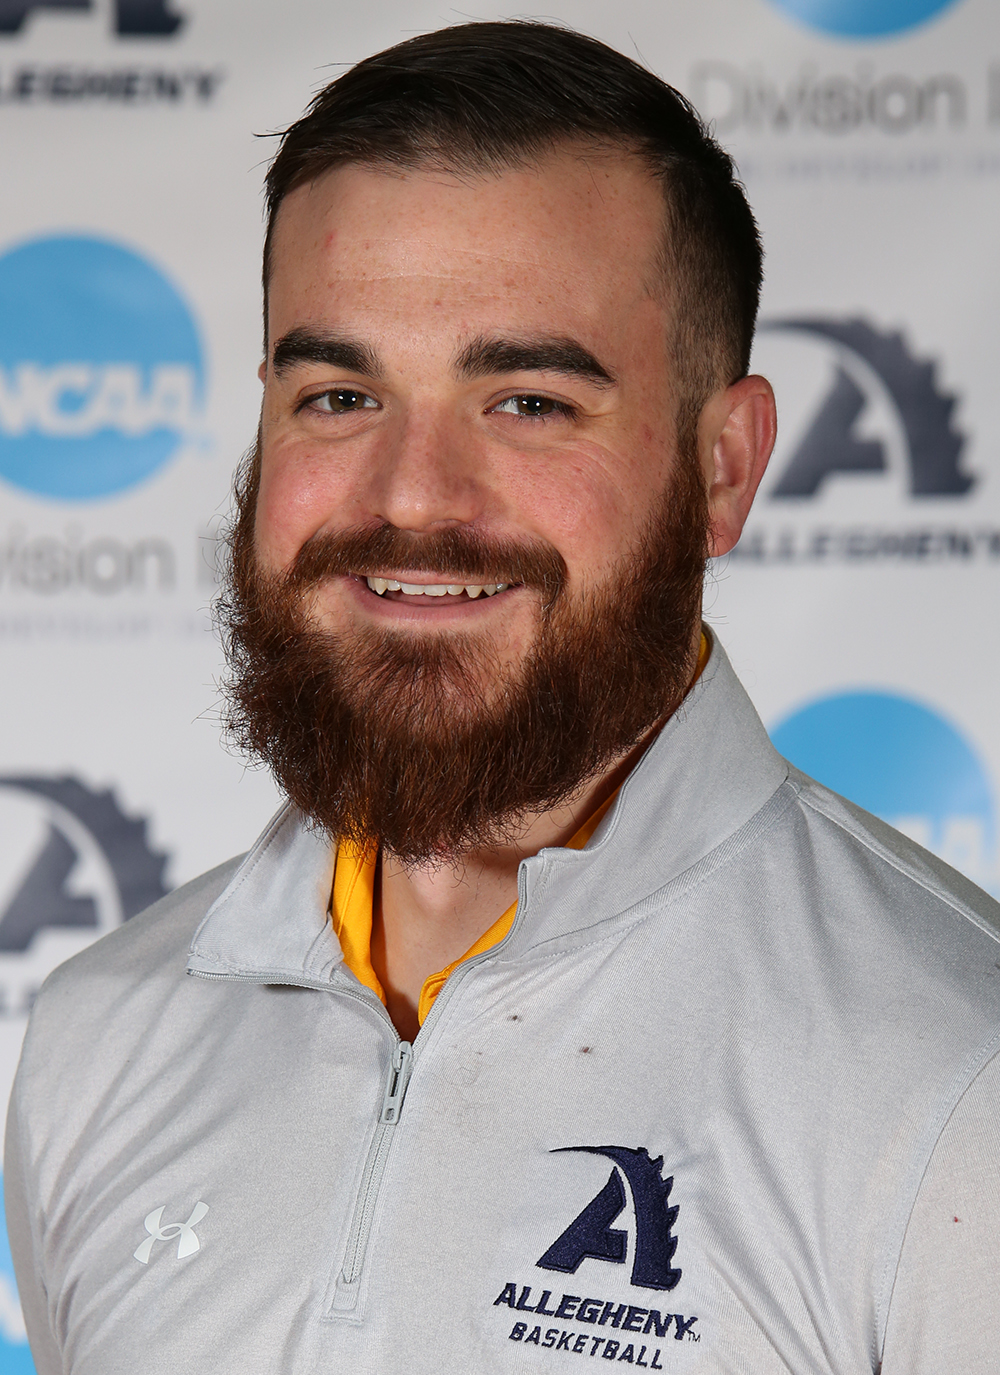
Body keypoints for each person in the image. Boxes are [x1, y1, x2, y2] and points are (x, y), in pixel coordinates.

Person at [6, 20, 1000, 1375]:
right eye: (341, 393)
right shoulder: (98, 1038)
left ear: (724, 465)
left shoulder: (958, 1079)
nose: (412, 495)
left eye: (527, 401)